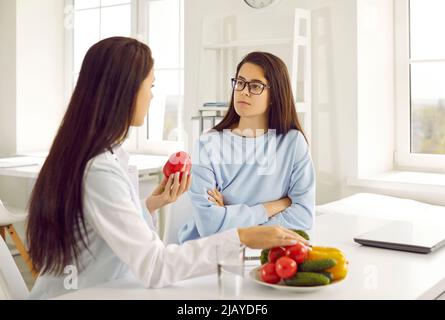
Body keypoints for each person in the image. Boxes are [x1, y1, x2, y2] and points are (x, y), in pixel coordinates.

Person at [25, 38, 308, 299]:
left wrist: (149, 204)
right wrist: (244, 234)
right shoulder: (99, 170)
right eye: (150, 87)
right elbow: (155, 265)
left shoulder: (107, 155)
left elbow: (103, 228)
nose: (151, 97)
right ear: (124, 91)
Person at [178, 52, 315, 244]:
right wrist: (276, 205)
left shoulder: (293, 143)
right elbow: (209, 226)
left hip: (262, 252)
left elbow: (303, 216)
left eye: (255, 86)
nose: (243, 91)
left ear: (274, 95)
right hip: (208, 254)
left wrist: (228, 215)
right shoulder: (207, 144)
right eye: (240, 82)